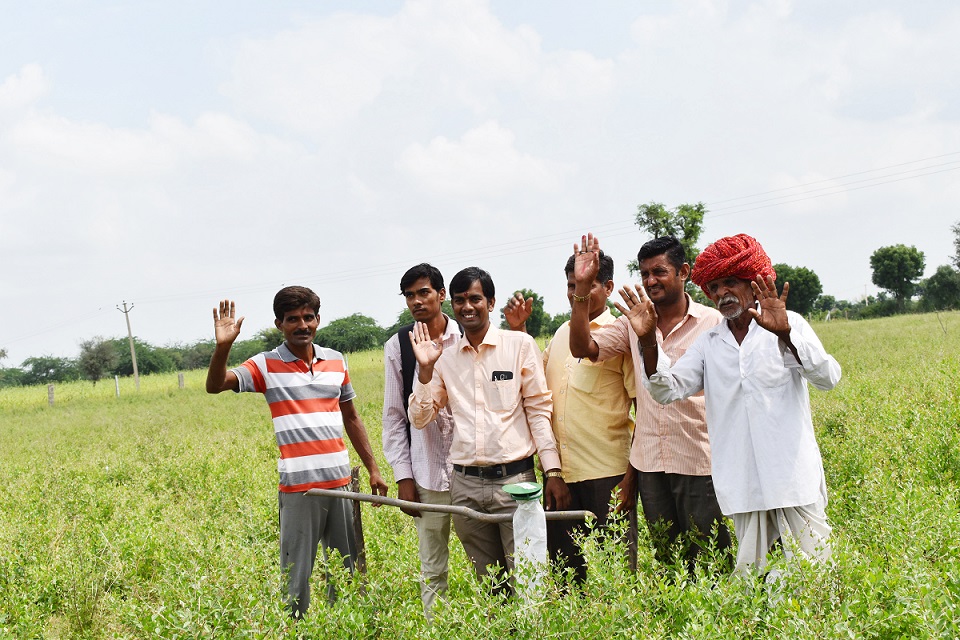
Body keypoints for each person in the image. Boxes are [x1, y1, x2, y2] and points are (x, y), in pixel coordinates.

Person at [616, 233, 841, 574]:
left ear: (753, 284)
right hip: (743, 485)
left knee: (816, 576)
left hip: (792, 480)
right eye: (715, 286)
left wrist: (785, 336)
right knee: (754, 584)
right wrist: (648, 341)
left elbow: (828, 377)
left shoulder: (789, 324)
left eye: (731, 282)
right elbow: (665, 390)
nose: (722, 293)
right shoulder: (710, 343)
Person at [205, 286, 387, 618]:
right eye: (293, 319)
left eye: (308, 317)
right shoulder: (266, 365)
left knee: (345, 574)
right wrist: (223, 347)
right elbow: (216, 384)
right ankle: (296, 629)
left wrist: (372, 467)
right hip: (300, 490)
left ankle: (344, 628)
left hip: (342, 485)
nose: (301, 325)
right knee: (296, 577)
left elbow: (352, 416)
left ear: (317, 319)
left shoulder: (336, 361)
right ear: (279, 323)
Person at [569, 234, 731, 570]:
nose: (650, 281)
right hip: (652, 464)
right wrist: (582, 291)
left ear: (683, 271)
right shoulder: (632, 323)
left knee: (711, 560)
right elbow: (582, 348)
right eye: (644, 274)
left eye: (659, 272)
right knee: (667, 560)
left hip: (699, 460)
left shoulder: (712, 323)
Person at [407, 266, 570, 596]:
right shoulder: (443, 358)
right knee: (492, 587)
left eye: (475, 298)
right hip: (465, 486)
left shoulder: (519, 345)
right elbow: (420, 418)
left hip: (516, 483)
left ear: (491, 302)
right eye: (459, 300)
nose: (467, 306)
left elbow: (539, 411)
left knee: (530, 583)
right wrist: (424, 372)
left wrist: (552, 470)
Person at [503, 251, 634, 585]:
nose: (576, 293)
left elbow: (642, 408)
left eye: (586, 285)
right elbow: (538, 392)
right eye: (571, 285)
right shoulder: (562, 333)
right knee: (565, 573)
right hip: (561, 477)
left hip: (609, 475)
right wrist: (553, 473)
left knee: (615, 575)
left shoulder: (624, 333)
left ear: (608, 286)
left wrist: (632, 479)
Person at [382, 263, 459, 618]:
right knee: (433, 567)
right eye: (410, 295)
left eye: (423, 292)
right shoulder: (398, 345)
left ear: (441, 295)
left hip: (473, 469)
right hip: (426, 474)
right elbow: (394, 417)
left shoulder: (467, 335)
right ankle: (436, 628)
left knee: (491, 563)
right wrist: (404, 477)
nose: (416, 301)